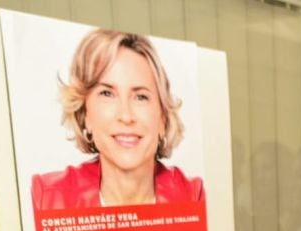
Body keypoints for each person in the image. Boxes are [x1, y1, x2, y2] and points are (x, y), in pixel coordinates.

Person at [32, 29, 204, 210]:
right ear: (85, 113)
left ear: (162, 118)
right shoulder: (46, 198)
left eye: (141, 97)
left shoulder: (194, 197)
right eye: (107, 94)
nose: (126, 116)